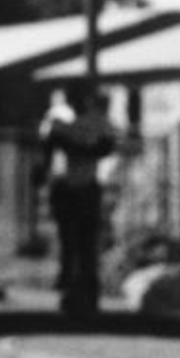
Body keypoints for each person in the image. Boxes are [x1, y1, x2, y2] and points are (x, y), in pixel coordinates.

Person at [39, 79, 116, 317]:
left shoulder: (97, 121)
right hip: (64, 186)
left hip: (87, 186)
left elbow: (106, 146)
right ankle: (70, 295)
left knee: (87, 244)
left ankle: (89, 297)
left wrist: (76, 147)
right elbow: (49, 146)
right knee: (68, 243)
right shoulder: (57, 118)